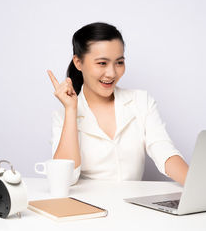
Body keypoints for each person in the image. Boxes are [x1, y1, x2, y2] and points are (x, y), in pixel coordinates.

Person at [47, 22, 189, 186]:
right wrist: (71, 110)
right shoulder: (62, 116)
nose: (112, 73)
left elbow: (164, 151)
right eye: (102, 63)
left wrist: (197, 186)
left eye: (119, 62)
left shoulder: (141, 101)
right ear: (78, 63)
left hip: (132, 206)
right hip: (87, 207)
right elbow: (65, 179)